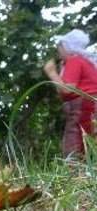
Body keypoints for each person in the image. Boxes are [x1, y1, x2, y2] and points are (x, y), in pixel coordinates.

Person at [43, 29, 97, 159]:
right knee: (90, 140)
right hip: (92, 104)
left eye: (61, 44)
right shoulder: (87, 62)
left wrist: (52, 73)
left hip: (84, 105)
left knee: (74, 140)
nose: (58, 47)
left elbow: (68, 89)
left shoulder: (74, 61)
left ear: (69, 47)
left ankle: (75, 171)